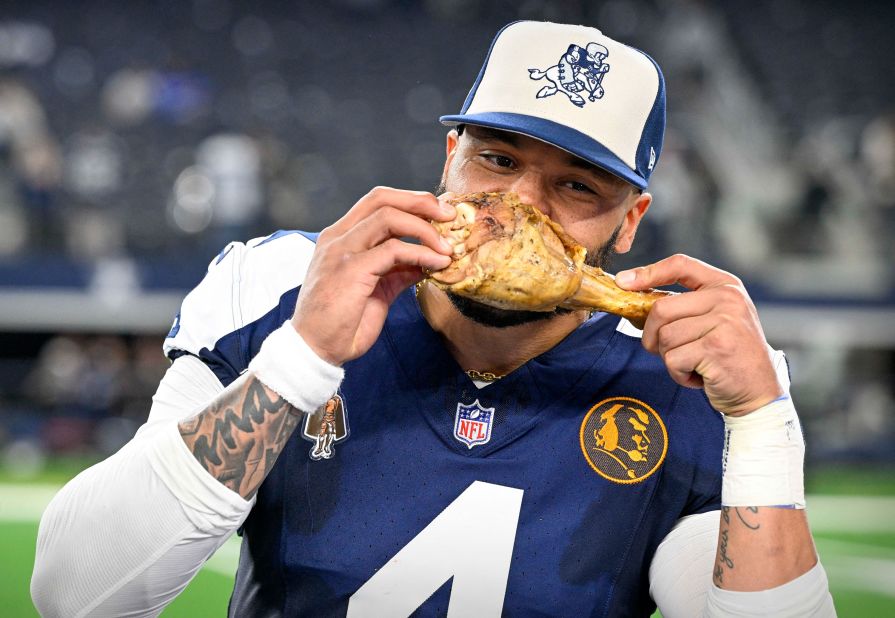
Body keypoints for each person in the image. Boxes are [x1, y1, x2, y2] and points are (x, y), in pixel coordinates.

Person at [31, 21, 834, 617]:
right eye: (496, 158)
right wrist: (300, 356)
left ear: (629, 224)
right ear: (446, 157)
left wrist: (764, 428)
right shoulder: (283, 283)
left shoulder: (682, 375)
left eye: (576, 188)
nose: (518, 209)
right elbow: (73, 591)